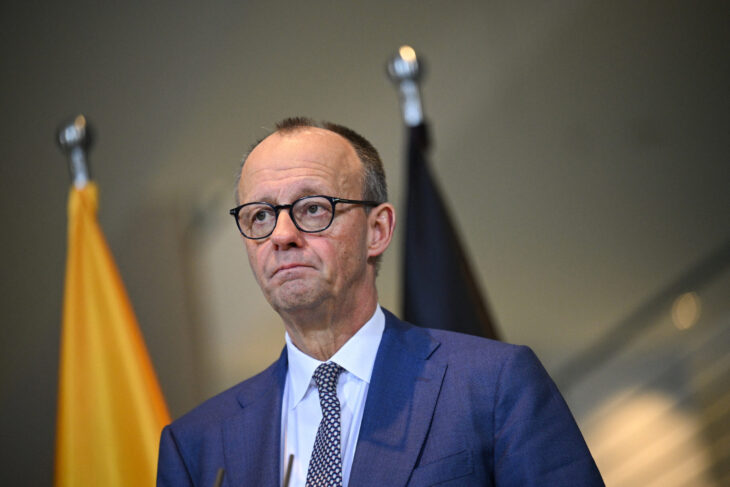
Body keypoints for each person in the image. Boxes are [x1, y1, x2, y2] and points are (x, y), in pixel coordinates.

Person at [157, 117, 604, 486]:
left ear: (378, 230)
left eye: (312, 208)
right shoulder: (197, 445)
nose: (282, 235)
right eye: (260, 215)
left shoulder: (494, 385)